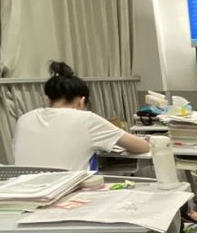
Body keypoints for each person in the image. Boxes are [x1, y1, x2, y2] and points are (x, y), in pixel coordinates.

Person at [14, 62, 150, 171]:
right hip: (64, 194)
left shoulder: (24, 119)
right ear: (82, 101)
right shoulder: (86, 119)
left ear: (48, 99)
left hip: (20, 195)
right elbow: (142, 147)